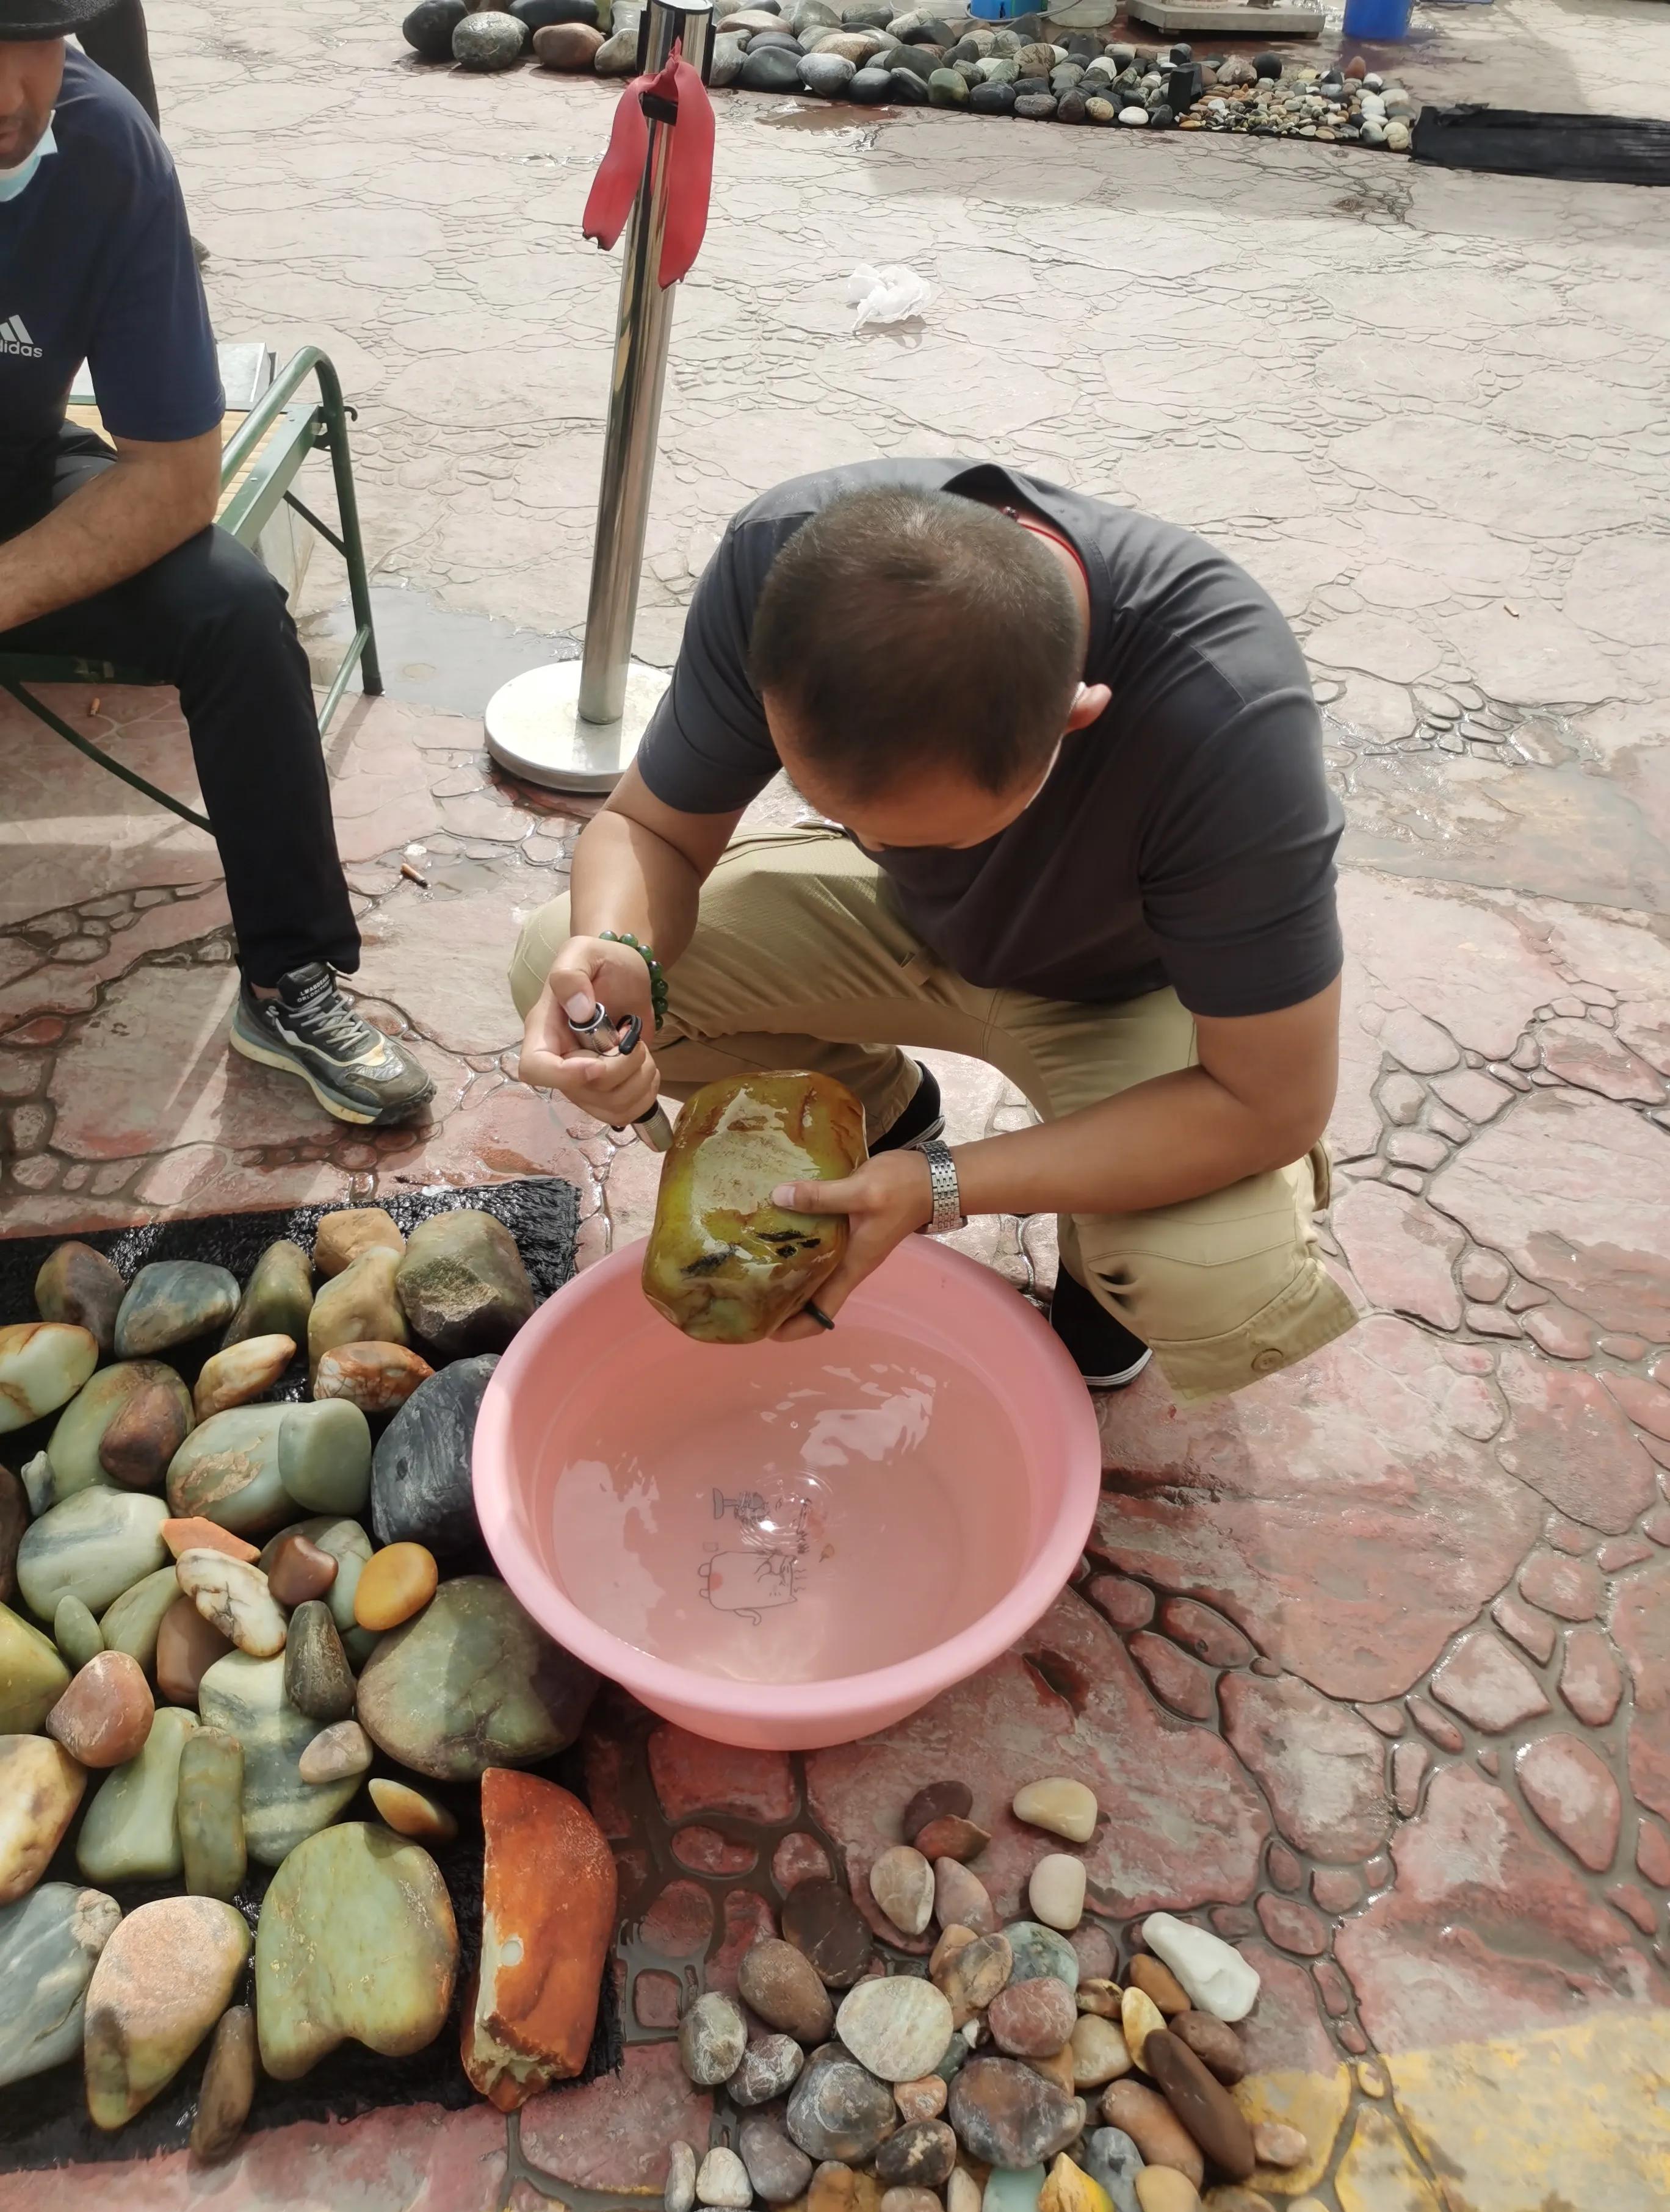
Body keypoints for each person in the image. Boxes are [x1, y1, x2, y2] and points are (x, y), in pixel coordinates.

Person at [513, 462, 1358, 1401]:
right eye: (837, 812)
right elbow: (653, 828)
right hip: (894, 924)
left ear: (1075, 718)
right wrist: (620, 953)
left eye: (933, 833)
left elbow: (1273, 1102)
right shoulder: (780, 571)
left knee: (1212, 1272)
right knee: (548, 955)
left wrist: (943, 1184)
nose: (871, 842)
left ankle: (1097, 1270)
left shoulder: (1227, 717)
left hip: (1129, 988)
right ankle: (879, 1115)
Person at [0, 0, 433, 1126]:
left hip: (18, 466)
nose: (6, 95)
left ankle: (290, 978)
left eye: (27, 41)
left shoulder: (102, 148)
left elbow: (174, 476)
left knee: (233, 609)